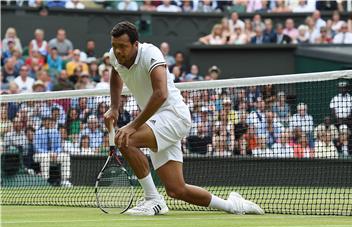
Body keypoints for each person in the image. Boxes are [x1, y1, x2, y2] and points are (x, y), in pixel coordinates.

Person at [104, 21, 264, 216]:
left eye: (123, 46)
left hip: (173, 116)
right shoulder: (115, 56)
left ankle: (153, 199)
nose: (118, 51)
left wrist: (132, 126)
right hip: (155, 122)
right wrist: (114, 107)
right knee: (176, 189)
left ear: (136, 44)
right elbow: (116, 72)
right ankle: (233, 205)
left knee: (125, 138)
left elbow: (161, 94)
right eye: (115, 46)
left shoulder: (150, 53)